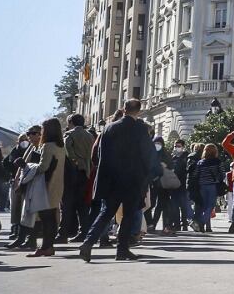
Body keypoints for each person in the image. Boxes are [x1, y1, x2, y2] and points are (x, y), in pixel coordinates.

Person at [80, 99, 153, 262]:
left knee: (106, 213)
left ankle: (88, 242)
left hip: (110, 179)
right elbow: (147, 154)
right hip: (132, 179)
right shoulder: (140, 128)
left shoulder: (109, 127)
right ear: (139, 111)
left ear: (124, 109)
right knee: (128, 215)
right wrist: (147, 175)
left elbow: (99, 154)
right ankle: (122, 249)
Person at [22, 117, 66, 258]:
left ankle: (46, 247)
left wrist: (27, 166)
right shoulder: (61, 146)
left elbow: (43, 167)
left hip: (46, 185)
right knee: (51, 217)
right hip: (58, 184)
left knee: (46, 217)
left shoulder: (48, 146)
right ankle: (49, 246)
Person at [58, 114, 95, 242]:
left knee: (67, 204)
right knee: (82, 205)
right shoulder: (90, 136)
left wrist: (74, 159)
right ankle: (83, 231)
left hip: (72, 171)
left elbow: (67, 149)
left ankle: (63, 233)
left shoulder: (69, 134)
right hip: (86, 172)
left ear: (71, 122)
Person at [6, 126, 43, 250]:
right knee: (26, 213)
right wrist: (17, 180)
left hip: (37, 184)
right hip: (27, 183)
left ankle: (27, 239)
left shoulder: (43, 147)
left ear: (40, 134)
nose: (30, 136)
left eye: (32, 133)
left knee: (33, 214)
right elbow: (22, 165)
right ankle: (24, 239)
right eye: (28, 133)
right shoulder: (31, 147)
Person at [191, 143, 225, 232]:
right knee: (210, 206)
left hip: (202, 186)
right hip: (213, 186)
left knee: (204, 206)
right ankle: (202, 222)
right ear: (215, 151)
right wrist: (218, 179)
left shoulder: (201, 162)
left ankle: (205, 226)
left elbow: (195, 175)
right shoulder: (217, 162)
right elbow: (222, 173)